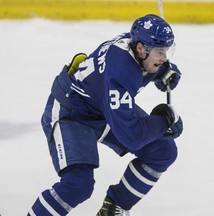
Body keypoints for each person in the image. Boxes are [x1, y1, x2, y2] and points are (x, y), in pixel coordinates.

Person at [28, 14, 183, 216]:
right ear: (140, 49)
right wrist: (164, 120)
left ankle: (113, 209)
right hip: (72, 113)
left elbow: (147, 66)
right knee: (78, 185)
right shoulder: (121, 73)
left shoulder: (134, 45)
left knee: (163, 149)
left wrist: (163, 72)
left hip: (102, 106)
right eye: (160, 52)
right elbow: (132, 136)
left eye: (167, 51)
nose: (165, 58)